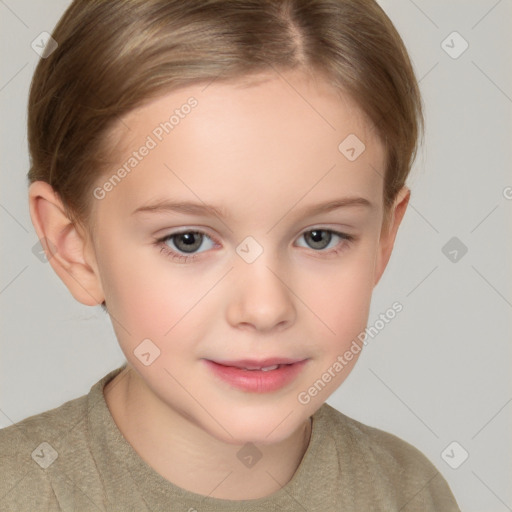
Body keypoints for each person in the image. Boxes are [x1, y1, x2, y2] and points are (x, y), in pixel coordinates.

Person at [0, 0, 461, 510]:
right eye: (188, 240)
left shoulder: (405, 492)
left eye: (319, 237)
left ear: (382, 240)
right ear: (74, 247)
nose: (265, 309)